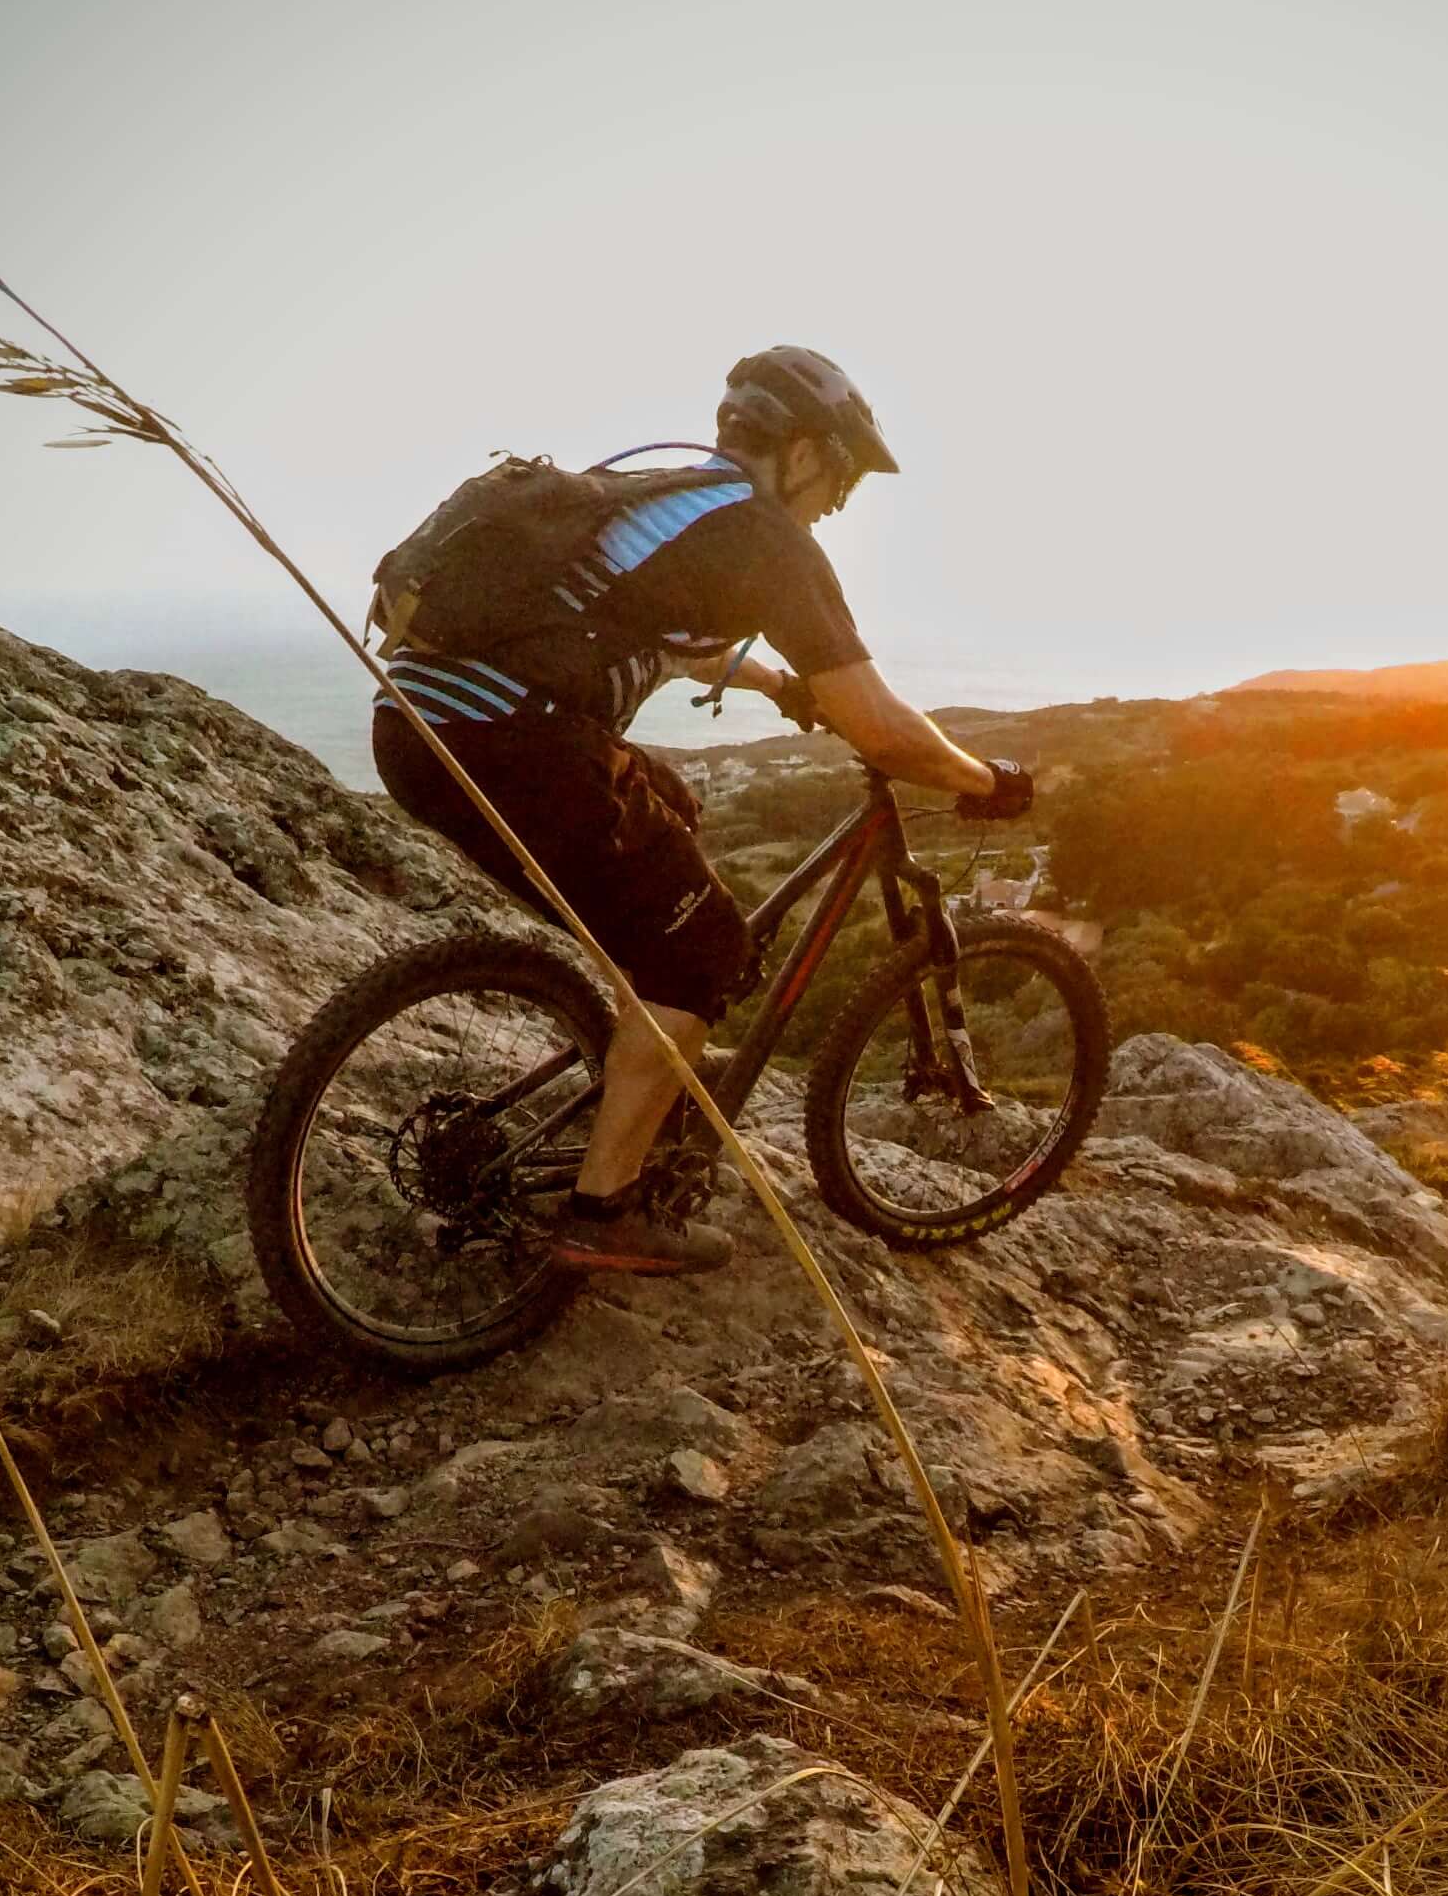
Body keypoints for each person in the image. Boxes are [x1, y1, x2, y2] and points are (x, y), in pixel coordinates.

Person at [371, 346, 1032, 1274]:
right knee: (704, 950)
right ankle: (606, 1208)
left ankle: (653, 1060)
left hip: (418, 725)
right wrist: (985, 781)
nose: (839, 497)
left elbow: (639, 622)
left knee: (667, 817)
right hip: (507, 736)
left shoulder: (665, 491)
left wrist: (767, 681)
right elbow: (886, 734)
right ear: (800, 453)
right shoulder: (766, 539)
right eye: (839, 470)